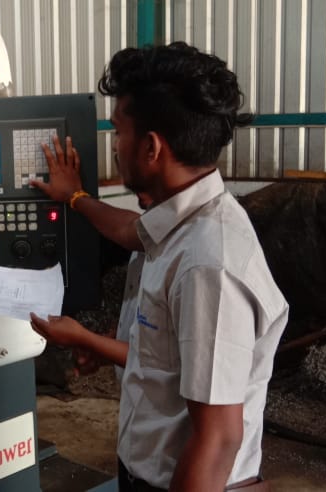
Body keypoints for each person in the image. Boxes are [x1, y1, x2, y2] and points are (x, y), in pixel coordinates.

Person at [29, 42, 288, 492]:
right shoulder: (180, 223)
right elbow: (130, 232)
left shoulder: (208, 265)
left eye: (118, 131)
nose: (114, 147)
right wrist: (74, 197)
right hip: (142, 471)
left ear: (150, 147)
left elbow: (219, 439)